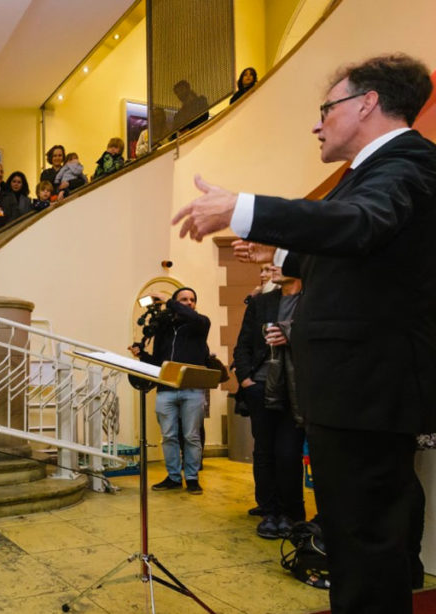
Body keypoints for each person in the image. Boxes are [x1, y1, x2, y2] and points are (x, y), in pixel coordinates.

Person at [172, 54, 435, 613]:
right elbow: (355, 254)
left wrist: (243, 208)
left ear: (367, 104)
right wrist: (282, 251)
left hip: (367, 391)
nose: (318, 123)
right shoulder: (367, 175)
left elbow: (360, 226)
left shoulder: (407, 165)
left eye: (327, 108)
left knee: (367, 545)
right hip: (352, 393)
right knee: (351, 539)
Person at [232, 265, 305, 538]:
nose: (271, 267)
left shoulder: (309, 300)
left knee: (288, 452)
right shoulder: (262, 302)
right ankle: (269, 511)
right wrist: (245, 379)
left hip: (295, 387)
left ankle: (292, 513)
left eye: (279, 259)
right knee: (264, 452)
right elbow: (243, 344)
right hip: (259, 386)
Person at [128, 288, 210, 494]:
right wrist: (142, 355)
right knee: (169, 436)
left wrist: (169, 301)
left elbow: (191, 315)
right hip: (166, 390)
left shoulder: (200, 324)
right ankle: (173, 477)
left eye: (192, 299)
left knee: (191, 436)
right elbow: (158, 362)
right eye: (184, 299)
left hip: (193, 390)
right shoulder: (164, 329)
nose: (189, 303)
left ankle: (192, 478)